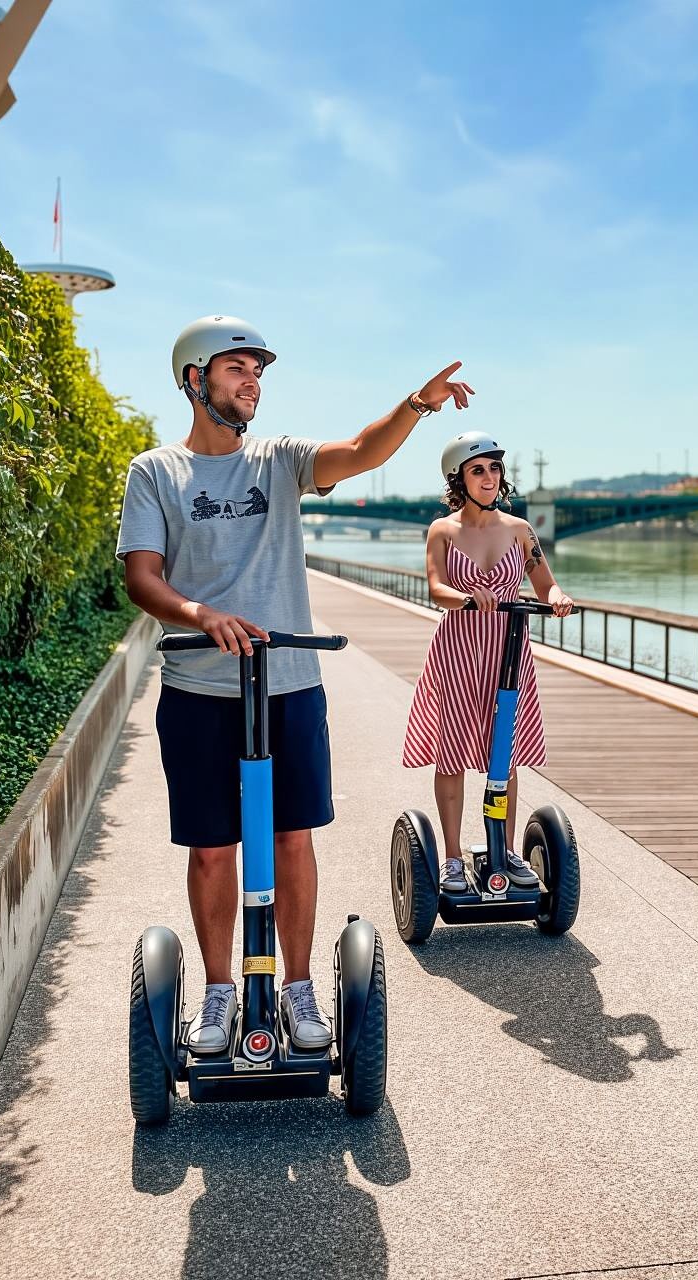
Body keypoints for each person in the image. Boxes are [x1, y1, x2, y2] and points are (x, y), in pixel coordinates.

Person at [117, 315, 472, 1053]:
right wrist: (199, 614)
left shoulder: (278, 461)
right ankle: (219, 993)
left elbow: (358, 452)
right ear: (194, 379)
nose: (252, 382)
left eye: (258, 371)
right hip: (199, 689)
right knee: (213, 849)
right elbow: (141, 577)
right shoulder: (154, 471)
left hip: (290, 684)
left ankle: (298, 986)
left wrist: (417, 404)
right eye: (236, 368)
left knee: (290, 839)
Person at [402, 432, 573, 892]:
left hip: (508, 648)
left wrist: (558, 598)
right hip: (458, 648)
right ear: (459, 478)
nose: (489, 477)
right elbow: (436, 587)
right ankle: (453, 858)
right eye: (478, 470)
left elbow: (545, 584)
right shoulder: (443, 530)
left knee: (505, 755)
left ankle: (505, 848)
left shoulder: (520, 530)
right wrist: (464, 597)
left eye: (494, 469)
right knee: (452, 751)